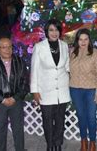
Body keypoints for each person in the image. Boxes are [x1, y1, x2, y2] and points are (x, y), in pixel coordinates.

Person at [30, 19, 71, 151]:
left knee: (60, 121)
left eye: (57, 30)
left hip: (62, 91)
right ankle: (50, 145)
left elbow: (66, 67)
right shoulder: (39, 47)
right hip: (45, 91)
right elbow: (34, 70)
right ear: (46, 32)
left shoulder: (64, 45)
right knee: (47, 121)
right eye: (51, 30)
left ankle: (58, 144)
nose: (54, 33)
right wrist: (35, 91)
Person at [0, 37, 29, 151]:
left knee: (18, 129)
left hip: (16, 101)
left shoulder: (19, 61)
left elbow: (25, 82)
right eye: (4, 47)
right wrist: (2, 99)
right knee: (0, 129)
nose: (7, 50)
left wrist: (15, 98)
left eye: (9, 46)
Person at [69, 29, 97, 151]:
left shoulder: (96, 53)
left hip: (91, 90)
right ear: (77, 40)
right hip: (75, 89)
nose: (83, 42)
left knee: (91, 117)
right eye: (80, 39)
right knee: (81, 116)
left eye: (86, 39)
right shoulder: (72, 53)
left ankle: (93, 143)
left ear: (89, 40)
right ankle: (83, 141)